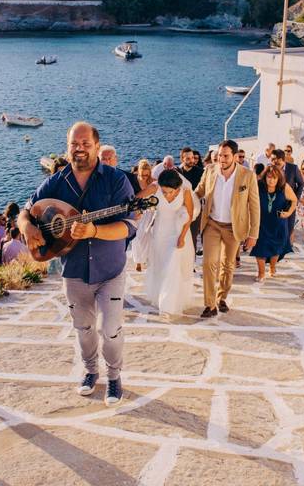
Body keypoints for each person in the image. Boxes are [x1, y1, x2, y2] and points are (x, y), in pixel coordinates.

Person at [19, 121, 135, 406]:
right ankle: (90, 371)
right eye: (74, 144)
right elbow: (25, 211)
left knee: (110, 330)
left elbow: (129, 226)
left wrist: (95, 231)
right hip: (74, 271)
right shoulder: (56, 182)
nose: (79, 149)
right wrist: (27, 228)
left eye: (85, 144)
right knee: (83, 329)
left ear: (97, 146)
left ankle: (114, 376)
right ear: (67, 146)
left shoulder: (116, 180)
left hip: (110, 269)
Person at [194, 139, 260, 318]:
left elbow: (254, 206)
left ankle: (222, 297)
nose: (221, 159)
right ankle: (209, 304)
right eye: (219, 156)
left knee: (228, 265)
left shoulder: (247, 175)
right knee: (208, 263)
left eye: (225, 156)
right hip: (212, 224)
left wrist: (253, 234)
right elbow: (198, 192)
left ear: (235, 157)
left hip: (234, 227)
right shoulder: (209, 171)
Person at [145, 169, 196, 315]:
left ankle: (168, 305)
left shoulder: (185, 192)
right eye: (164, 192)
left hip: (177, 233)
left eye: (170, 192)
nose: (167, 195)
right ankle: (160, 297)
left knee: (172, 266)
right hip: (159, 233)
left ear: (178, 188)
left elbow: (190, 215)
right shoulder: (155, 188)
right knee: (161, 265)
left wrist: (181, 237)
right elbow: (136, 200)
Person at [250, 165, 297, 281]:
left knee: (276, 248)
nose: (271, 180)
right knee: (260, 248)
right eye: (269, 177)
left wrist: (288, 213)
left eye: (274, 178)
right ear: (265, 177)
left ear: (278, 179)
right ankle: (261, 273)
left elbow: (294, 200)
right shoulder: (258, 186)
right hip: (261, 223)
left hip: (278, 224)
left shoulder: (284, 187)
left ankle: (272, 267)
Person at [270, 148, 304, 253]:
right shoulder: (271, 169)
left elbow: (301, 183)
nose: (273, 163)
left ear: (281, 160)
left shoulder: (293, 169)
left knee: (289, 227)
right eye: (272, 160)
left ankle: (284, 247)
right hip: (274, 203)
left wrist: (296, 198)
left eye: (275, 161)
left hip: (289, 204)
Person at [131, 159, 157, 272]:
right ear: (139, 171)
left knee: (147, 236)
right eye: (143, 174)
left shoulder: (153, 182)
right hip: (137, 212)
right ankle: (138, 261)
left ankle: (146, 258)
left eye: (147, 174)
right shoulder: (134, 181)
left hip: (150, 212)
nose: (145, 177)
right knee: (137, 237)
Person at [177, 148, 204, 252]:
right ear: (182, 159)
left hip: (195, 209)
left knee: (192, 237)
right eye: (188, 158)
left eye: (192, 158)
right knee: (179, 235)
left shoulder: (201, 172)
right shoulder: (177, 172)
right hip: (179, 209)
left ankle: (191, 265)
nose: (192, 160)